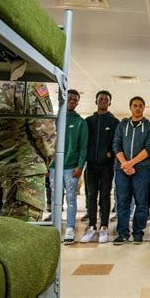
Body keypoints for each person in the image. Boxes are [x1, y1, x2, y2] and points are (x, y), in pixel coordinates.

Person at [0, 81, 56, 221]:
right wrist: (48, 159)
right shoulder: (31, 81)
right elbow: (44, 131)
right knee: (19, 236)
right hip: (22, 172)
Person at [113, 96, 150, 245]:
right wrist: (125, 164)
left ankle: (138, 233)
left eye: (140, 106)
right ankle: (123, 233)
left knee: (141, 202)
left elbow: (149, 149)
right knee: (122, 202)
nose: (137, 108)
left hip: (142, 170)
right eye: (135, 105)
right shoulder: (122, 125)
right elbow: (116, 145)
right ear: (130, 107)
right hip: (122, 170)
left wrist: (131, 163)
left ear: (144, 108)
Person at [50, 89, 88, 244]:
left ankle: (70, 229)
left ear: (78, 102)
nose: (72, 101)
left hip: (71, 168)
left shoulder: (80, 122)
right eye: (70, 98)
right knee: (54, 198)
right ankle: (55, 228)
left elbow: (83, 147)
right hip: (54, 167)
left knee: (71, 199)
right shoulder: (54, 119)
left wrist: (80, 167)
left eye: (75, 100)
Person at [80, 90, 119, 243]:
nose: (103, 101)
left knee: (104, 196)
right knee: (91, 196)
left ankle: (103, 227)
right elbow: (83, 142)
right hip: (91, 166)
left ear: (110, 103)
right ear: (96, 101)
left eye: (106, 99)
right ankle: (91, 227)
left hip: (106, 166)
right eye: (100, 99)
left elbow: (117, 142)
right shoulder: (88, 121)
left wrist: (110, 153)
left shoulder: (114, 122)